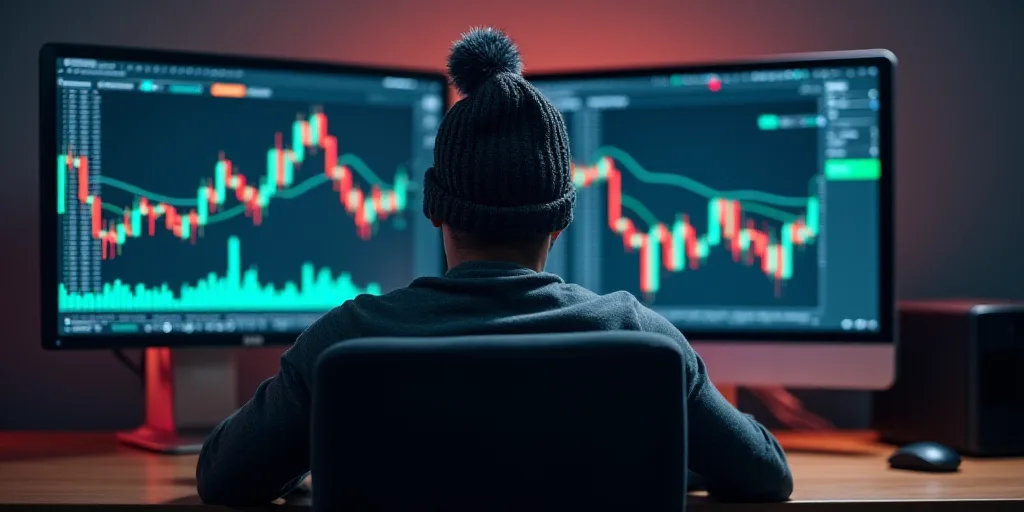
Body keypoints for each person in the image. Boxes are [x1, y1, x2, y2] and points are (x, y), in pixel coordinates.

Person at [196, 27, 793, 505]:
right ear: (560, 221)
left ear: (436, 211)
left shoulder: (348, 338)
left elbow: (224, 478)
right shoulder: (638, 336)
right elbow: (766, 476)